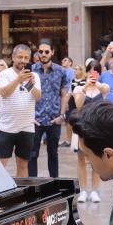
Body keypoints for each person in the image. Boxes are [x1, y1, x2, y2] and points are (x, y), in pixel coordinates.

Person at [0, 44, 41, 177]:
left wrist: (28, 83)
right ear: (13, 57)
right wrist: (18, 79)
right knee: (0, 165)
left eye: (26, 57)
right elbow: (3, 93)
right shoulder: (4, 74)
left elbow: (38, 97)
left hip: (26, 128)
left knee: (23, 165)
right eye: (20, 57)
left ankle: (22, 195)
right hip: (6, 127)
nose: (23, 60)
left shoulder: (34, 76)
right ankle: (0, 194)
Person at [29, 43, 69, 179]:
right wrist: (30, 116)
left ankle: (54, 184)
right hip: (36, 119)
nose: (44, 54)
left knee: (53, 153)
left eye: (47, 52)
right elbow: (26, 93)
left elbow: (64, 94)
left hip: (54, 119)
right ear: (38, 53)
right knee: (32, 154)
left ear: (52, 52)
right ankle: (32, 186)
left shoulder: (61, 71)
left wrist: (62, 115)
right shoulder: (31, 70)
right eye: (41, 51)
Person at [72, 67, 110, 203]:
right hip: (82, 127)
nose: (92, 75)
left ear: (99, 73)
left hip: (98, 128)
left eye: (96, 72)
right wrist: (86, 85)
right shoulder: (78, 88)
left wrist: (96, 83)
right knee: (81, 160)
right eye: (90, 72)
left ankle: (95, 190)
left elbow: (106, 91)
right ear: (86, 73)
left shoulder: (103, 86)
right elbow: (78, 104)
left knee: (96, 160)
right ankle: (83, 190)